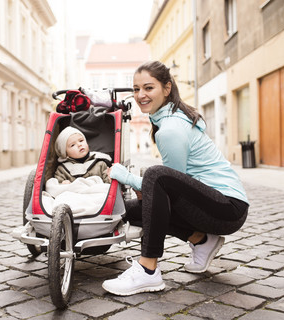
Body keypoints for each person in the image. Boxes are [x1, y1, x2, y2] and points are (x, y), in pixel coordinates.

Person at [102, 61, 249, 296]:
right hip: (210, 203)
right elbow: (170, 186)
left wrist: (126, 177)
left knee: (154, 175)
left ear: (167, 88)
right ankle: (201, 240)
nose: (140, 95)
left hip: (228, 208)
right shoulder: (166, 118)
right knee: (129, 211)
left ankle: (148, 270)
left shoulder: (170, 128)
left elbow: (165, 183)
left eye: (149, 88)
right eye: (136, 89)